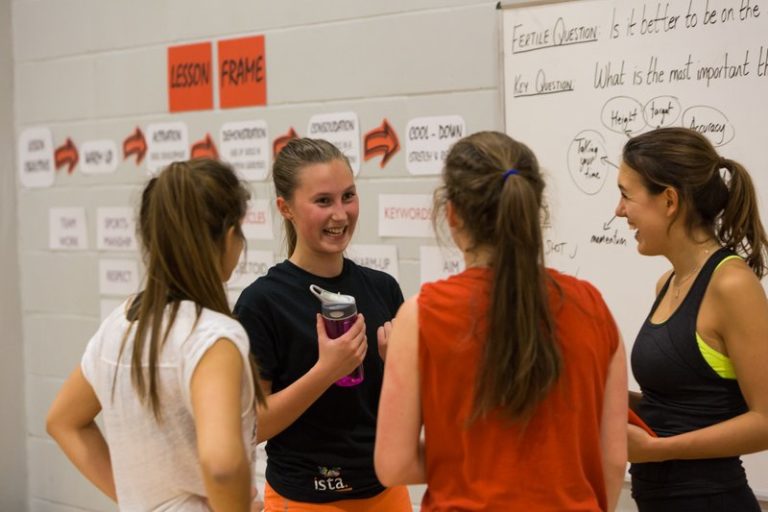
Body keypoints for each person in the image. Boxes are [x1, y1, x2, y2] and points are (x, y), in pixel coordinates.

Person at [374, 130, 628, 511]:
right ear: (534, 210)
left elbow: (393, 465)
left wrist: (467, 454)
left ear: (452, 215)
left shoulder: (422, 315)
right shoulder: (592, 306)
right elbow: (612, 457)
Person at [46, 159, 266, 511]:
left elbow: (63, 421)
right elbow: (223, 466)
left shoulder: (120, 322)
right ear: (228, 237)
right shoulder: (213, 336)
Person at [234, 138, 412, 511]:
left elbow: (407, 409)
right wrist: (326, 371)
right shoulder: (262, 302)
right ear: (286, 208)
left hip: (385, 491)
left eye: (348, 196)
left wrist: (404, 371)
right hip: (304, 498)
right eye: (323, 201)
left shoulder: (382, 288)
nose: (341, 215)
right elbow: (251, 426)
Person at [616, 127, 768, 511]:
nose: (619, 211)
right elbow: (679, 404)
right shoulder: (667, 283)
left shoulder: (732, 285)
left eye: (625, 195)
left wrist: (659, 449)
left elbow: (765, 420)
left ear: (668, 200)